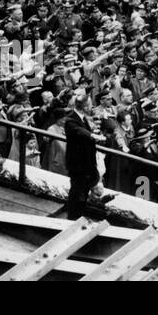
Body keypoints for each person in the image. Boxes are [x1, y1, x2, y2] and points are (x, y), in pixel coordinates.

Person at [63, 92, 102, 220]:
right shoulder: (70, 120)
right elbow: (78, 131)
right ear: (85, 107)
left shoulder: (83, 118)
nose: (91, 107)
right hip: (77, 164)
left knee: (83, 192)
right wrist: (92, 135)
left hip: (86, 163)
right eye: (89, 105)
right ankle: (72, 218)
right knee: (76, 192)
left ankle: (78, 216)